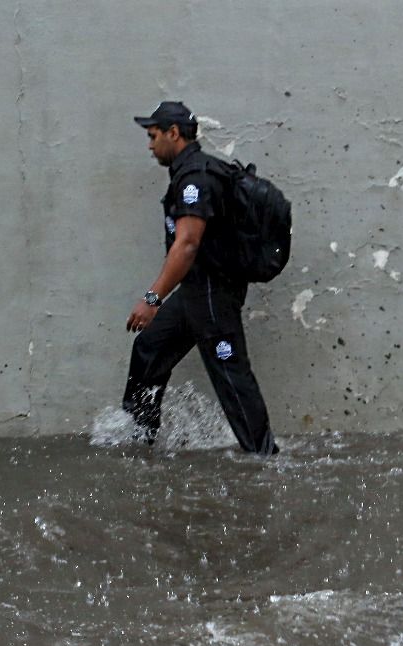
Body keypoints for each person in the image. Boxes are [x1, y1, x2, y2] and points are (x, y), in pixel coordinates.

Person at [122, 101, 278, 454]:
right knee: (149, 349)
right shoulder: (190, 172)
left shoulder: (196, 178)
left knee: (231, 377)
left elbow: (188, 244)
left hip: (212, 294)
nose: (149, 145)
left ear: (173, 134)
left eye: (153, 136)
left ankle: (265, 458)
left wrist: (152, 299)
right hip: (196, 290)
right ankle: (139, 437)